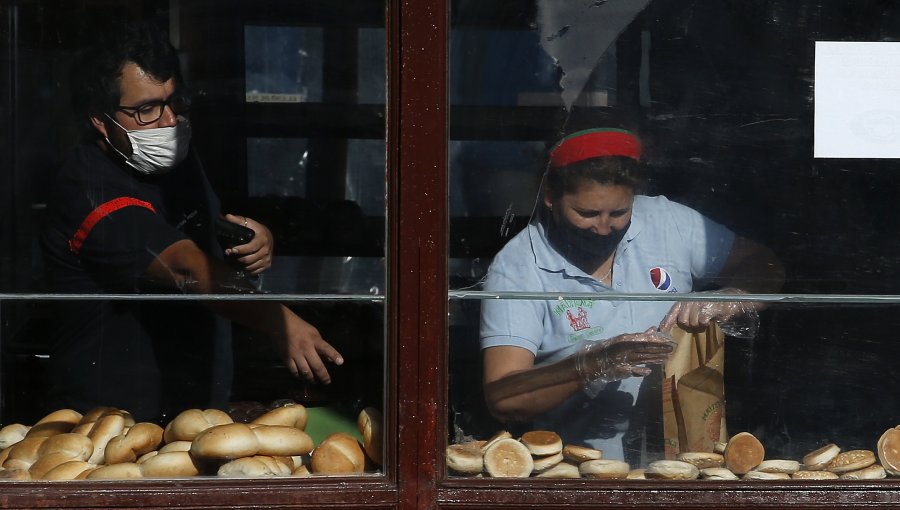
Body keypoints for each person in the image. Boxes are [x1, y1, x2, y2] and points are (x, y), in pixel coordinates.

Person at [39, 21, 343, 423]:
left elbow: (207, 234)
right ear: (100, 119)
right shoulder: (89, 188)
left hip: (193, 411)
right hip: (111, 423)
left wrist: (255, 239)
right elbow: (183, 265)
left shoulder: (174, 160)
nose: (167, 121)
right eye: (146, 109)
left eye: (172, 101)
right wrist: (277, 319)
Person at [479, 128, 784, 463]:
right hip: (581, 463)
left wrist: (729, 297)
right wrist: (592, 364)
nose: (604, 227)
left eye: (619, 212)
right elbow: (503, 398)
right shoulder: (520, 265)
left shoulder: (666, 221)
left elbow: (765, 266)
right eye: (588, 214)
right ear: (551, 197)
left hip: (684, 454)